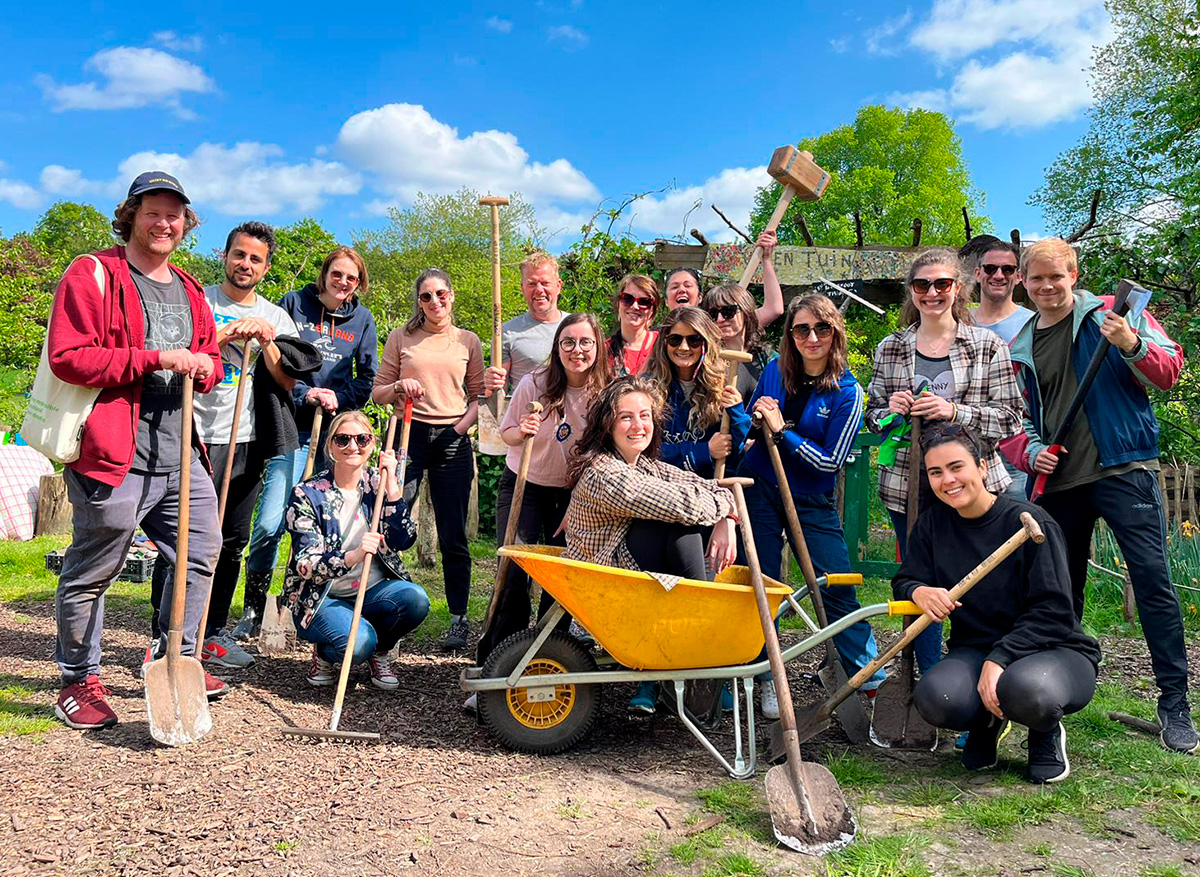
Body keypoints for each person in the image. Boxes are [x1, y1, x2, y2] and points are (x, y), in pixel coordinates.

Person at [1003, 237, 1196, 754]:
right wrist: (1032, 452)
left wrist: (1132, 344)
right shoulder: (1020, 345)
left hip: (1124, 468)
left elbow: (1170, 370)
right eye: (1037, 278)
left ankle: (1174, 704)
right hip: (1061, 482)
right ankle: (1057, 697)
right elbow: (1011, 420)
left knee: (1153, 583)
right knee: (1062, 594)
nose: (1047, 287)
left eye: (1056, 277)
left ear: (1074, 273)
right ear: (1024, 280)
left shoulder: (1114, 313)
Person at [49, 171, 226, 729]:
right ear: (131, 214)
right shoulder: (93, 273)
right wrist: (156, 358)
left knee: (202, 551)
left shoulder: (192, 289)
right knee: (95, 568)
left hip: (179, 452)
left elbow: (209, 360)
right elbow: (69, 356)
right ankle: (78, 679)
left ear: (186, 223)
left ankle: (175, 653)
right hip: (113, 453)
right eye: (153, 211)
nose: (165, 222)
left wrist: (206, 367)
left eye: (175, 214)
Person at [146, 222, 314, 669]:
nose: (246, 264)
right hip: (193, 434)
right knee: (180, 538)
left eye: (255, 259)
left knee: (230, 540)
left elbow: (286, 381)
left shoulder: (277, 316)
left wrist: (267, 341)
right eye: (239, 254)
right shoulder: (195, 299)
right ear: (225, 255)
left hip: (246, 438)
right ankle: (165, 634)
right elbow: (169, 352)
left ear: (266, 267)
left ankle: (213, 631)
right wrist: (220, 337)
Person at [895, 424, 1100, 783]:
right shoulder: (933, 525)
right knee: (936, 697)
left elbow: (1053, 613)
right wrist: (919, 591)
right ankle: (985, 721)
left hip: (1053, 650)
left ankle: (1045, 731)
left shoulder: (1029, 524)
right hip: (974, 649)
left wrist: (999, 659)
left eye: (957, 467)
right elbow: (905, 579)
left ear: (983, 467)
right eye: (936, 472)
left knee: (1025, 690)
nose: (948, 480)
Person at [866, 248, 1024, 676]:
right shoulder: (891, 348)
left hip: (971, 488)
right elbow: (873, 415)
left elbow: (1011, 419)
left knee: (981, 583)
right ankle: (933, 680)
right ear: (911, 292)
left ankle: (984, 670)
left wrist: (955, 412)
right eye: (922, 285)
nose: (932, 293)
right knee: (923, 584)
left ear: (959, 289)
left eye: (942, 284)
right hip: (908, 486)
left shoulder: (986, 345)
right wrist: (890, 410)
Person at [742, 294, 886, 718]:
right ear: (790, 335)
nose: (811, 337)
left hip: (811, 497)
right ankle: (766, 677)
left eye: (821, 328)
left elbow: (830, 461)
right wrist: (759, 415)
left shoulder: (847, 391)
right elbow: (755, 418)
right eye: (801, 329)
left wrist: (782, 430)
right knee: (762, 584)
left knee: (837, 582)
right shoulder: (774, 371)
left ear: (835, 333)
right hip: (762, 487)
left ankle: (868, 680)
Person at [564, 375, 738, 715]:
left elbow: (709, 487)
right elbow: (684, 505)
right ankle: (700, 634)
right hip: (607, 585)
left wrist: (726, 520)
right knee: (683, 525)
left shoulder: (644, 466)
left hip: (633, 580)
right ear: (607, 423)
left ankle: (695, 639)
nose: (637, 425)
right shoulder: (605, 474)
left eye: (645, 416)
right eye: (625, 416)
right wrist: (725, 509)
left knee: (684, 523)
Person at [242, 247, 379, 620]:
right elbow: (278, 363)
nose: (343, 282)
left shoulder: (363, 321)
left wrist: (338, 398)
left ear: (358, 282)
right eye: (337, 274)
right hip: (290, 427)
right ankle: (254, 610)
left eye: (351, 277)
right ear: (325, 274)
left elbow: (366, 378)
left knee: (321, 526)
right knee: (271, 522)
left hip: (334, 438)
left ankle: (304, 602)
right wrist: (307, 393)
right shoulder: (295, 304)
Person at [474, 313, 610, 668]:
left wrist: (580, 502)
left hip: (576, 495)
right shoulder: (534, 383)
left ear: (597, 347)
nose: (576, 350)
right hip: (526, 486)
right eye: (568, 342)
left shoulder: (606, 392)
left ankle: (548, 660)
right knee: (515, 573)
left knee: (560, 582)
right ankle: (498, 662)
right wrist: (522, 428)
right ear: (557, 347)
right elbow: (506, 435)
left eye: (585, 343)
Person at [373, 269, 485, 651]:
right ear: (418, 302)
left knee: (453, 535)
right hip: (409, 435)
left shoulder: (468, 341)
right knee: (393, 524)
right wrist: (399, 386)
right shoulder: (402, 338)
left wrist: (458, 430)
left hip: (452, 440)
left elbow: (479, 397)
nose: (434, 302)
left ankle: (458, 619)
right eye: (426, 297)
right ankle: (389, 610)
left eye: (440, 294)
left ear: (452, 296)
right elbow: (378, 393)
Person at [283, 411, 429, 689]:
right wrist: (354, 556)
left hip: (372, 591)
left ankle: (380, 652)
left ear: (372, 445)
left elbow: (404, 540)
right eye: (343, 439)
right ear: (330, 446)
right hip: (323, 596)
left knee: (416, 600)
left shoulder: (378, 484)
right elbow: (306, 564)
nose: (353, 446)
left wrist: (394, 489)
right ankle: (326, 653)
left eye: (362, 439)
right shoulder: (307, 494)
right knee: (359, 643)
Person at [648, 307, 749, 479]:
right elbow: (643, 449)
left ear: (706, 343)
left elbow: (737, 450)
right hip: (661, 487)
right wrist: (704, 451)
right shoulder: (648, 389)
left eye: (694, 340)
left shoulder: (722, 387)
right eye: (675, 339)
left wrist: (738, 414)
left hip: (708, 489)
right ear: (664, 342)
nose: (684, 347)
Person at [971, 239, 1033, 498]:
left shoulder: (1033, 323)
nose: (998, 275)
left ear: (1018, 277)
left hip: (1017, 443)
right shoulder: (958, 321)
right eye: (990, 269)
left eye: (1007, 269)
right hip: (967, 441)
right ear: (978, 274)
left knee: (1017, 525)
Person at [482, 251, 571, 399]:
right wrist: (491, 383)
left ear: (558, 286)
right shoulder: (505, 333)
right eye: (531, 283)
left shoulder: (578, 328)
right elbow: (496, 396)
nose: (539, 290)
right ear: (522, 288)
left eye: (545, 283)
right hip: (526, 417)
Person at [666, 230, 785, 330]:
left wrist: (766, 259)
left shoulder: (718, 322)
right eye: (675, 287)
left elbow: (773, 309)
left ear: (700, 297)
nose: (682, 290)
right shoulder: (656, 336)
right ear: (666, 300)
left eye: (688, 285)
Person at [702, 283, 776, 402]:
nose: (720, 319)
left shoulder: (766, 358)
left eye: (728, 311)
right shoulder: (705, 359)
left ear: (746, 313)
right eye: (713, 314)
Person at [606, 274, 660, 378]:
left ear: (652, 310)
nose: (634, 306)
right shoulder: (604, 350)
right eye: (627, 299)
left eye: (644, 302)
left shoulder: (662, 344)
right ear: (618, 303)